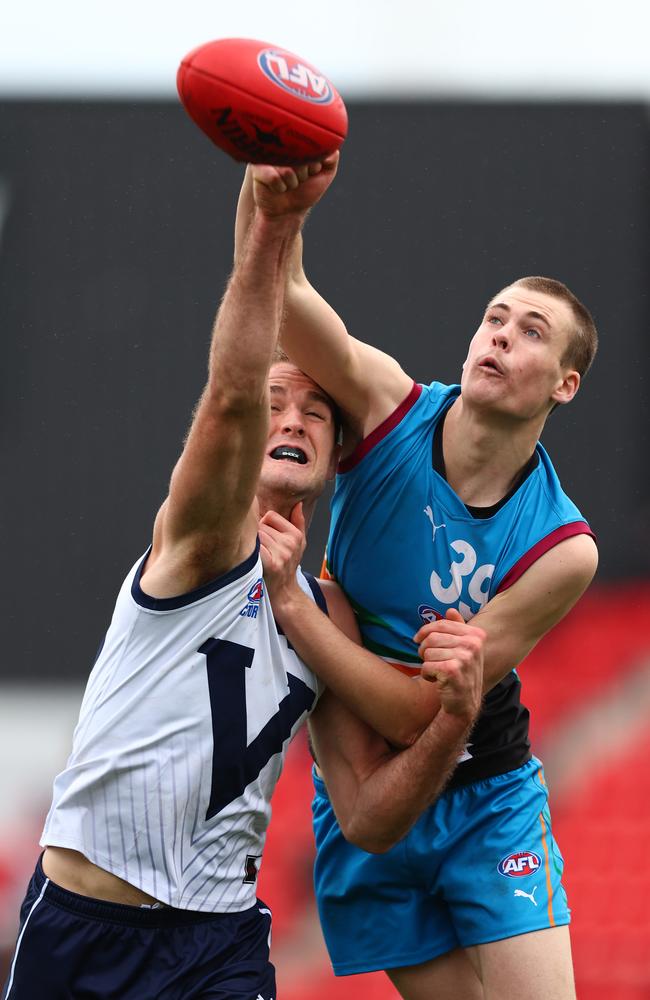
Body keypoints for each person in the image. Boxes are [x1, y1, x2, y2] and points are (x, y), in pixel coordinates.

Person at [3, 161, 485, 1000]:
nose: (291, 417)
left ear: (339, 452)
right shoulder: (204, 541)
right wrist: (269, 227)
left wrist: (455, 719)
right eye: (277, 402)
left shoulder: (328, 610)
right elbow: (230, 398)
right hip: (86, 925)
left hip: (217, 942)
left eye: (316, 409)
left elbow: (370, 816)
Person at [235, 155, 599, 1000]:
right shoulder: (385, 403)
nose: (501, 335)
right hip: (364, 780)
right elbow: (280, 297)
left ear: (566, 385)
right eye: (494, 318)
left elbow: (419, 710)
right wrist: (273, 197)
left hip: (484, 787)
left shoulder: (562, 547)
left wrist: (295, 606)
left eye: (532, 331)